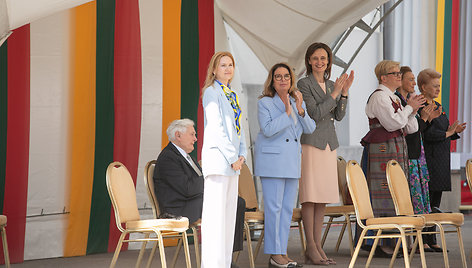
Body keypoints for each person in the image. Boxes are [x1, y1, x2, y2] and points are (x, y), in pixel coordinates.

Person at [153, 119, 246, 266]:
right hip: (179, 208)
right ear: (178, 135)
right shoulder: (168, 158)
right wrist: (212, 178)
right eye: (192, 134)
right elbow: (187, 189)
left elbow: (196, 184)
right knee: (224, 202)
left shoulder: (186, 156)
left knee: (236, 202)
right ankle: (221, 259)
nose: (195, 139)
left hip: (193, 201)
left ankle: (226, 256)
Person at [254, 62, 316, 268]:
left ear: (291, 80)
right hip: (272, 162)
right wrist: (288, 112)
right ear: (272, 80)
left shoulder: (296, 100)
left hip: (291, 161)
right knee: (274, 208)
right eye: (278, 76)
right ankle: (274, 254)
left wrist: (299, 109)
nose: (283, 80)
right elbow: (269, 129)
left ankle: (282, 252)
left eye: (286, 76)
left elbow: (310, 128)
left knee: (287, 210)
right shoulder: (265, 103)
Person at [297, 42, 354, 265]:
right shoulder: (304, 84)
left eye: (323, 58)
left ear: (328, 61)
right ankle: (311, 246)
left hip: (329, 145)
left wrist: (345, 94)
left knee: (321, 199)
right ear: (309, 62)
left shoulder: (332, 84)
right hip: (311, 145)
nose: (320, 62)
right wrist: (336, 93)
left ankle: (317, 245)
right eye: (315, 58)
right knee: (310, 197)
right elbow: (314, 113)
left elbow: (338, 116)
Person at [360, 60, 424, 256]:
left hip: (395, 147)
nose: (398, 76)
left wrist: (411, 111)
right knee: (384, 193)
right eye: (394, 73)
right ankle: (383, 242)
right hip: (382, 149)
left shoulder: (393, 97)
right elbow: (391, 124)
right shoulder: (380, 97)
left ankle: (398, 240)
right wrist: (408, 109)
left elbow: (411, 128)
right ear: (383, 77)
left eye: (399, 73)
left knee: (397, 191)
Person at [201, 51, 247, 268]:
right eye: (223, 65)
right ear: (214, 69)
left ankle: (224, 263)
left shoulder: (233, 94)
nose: (228, 69)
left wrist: (242, 155)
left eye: (230, 65)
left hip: (233, 164)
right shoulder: (211, 92)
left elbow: (240, 128)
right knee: (215, 219)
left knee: (229, 218)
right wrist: (231, 156)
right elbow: (216, 128)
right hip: (219, 162)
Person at [417, 68, 466, 252]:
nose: (438, 89)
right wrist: (449, 132)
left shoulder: (439, 106)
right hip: (429, 157)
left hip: (441, 157)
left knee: (435, 201)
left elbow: (444, 132)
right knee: (426, 200)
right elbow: (427, 134)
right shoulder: (421, 107)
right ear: (423, 87)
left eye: (439, 85)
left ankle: (431, 238)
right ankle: (423, 238)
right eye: (434, 86)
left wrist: (454, 131)